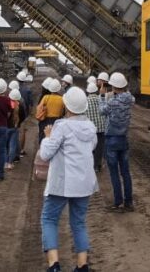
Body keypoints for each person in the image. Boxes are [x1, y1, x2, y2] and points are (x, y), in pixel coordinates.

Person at [39, 86, 97, 272]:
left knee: (49, 219)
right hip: (84, 183)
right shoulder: (90, 127)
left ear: (67, 106)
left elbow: (46, 154)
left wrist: (47, 137)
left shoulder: (62, 126)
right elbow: (92, 147)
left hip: (62, 183)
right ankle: (82, 265)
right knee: (78, 223)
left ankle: (54, 265)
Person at [100, 71, 135, 211]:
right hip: (124, 139)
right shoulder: (129, 99)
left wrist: (102, 95)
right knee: (125, 173)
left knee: (114, 173)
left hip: (111, 139)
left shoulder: (112, 102)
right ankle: (129, 202)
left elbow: (102, 111)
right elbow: (129, 96)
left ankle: (118, 202)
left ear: (113, 87)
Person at [84, 81, 107, 174]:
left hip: (91, 129)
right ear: (96, 90)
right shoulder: (100, 99)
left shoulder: (85, 101)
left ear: (88, 91)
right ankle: (97, 166)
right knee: (99, 148)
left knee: (91, 148)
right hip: (101, 128)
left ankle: (91, 165)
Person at [37, 77, 65, 145]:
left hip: (45, 121)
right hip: (57, 121)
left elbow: (39, 108)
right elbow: (64, 112)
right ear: (58, 89)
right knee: (55, 140)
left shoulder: (46, 97)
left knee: (43, 138)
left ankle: (42, 152)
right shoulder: (62, 99)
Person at [6, 88, 26, 170]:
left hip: (6, 127)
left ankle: (5, 161)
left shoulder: (7, 105)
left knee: (5, 145)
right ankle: (10, 163)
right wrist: (18, 123)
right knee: (12, 145)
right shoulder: (20, 106)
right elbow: (23, 117)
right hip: (15, 127)